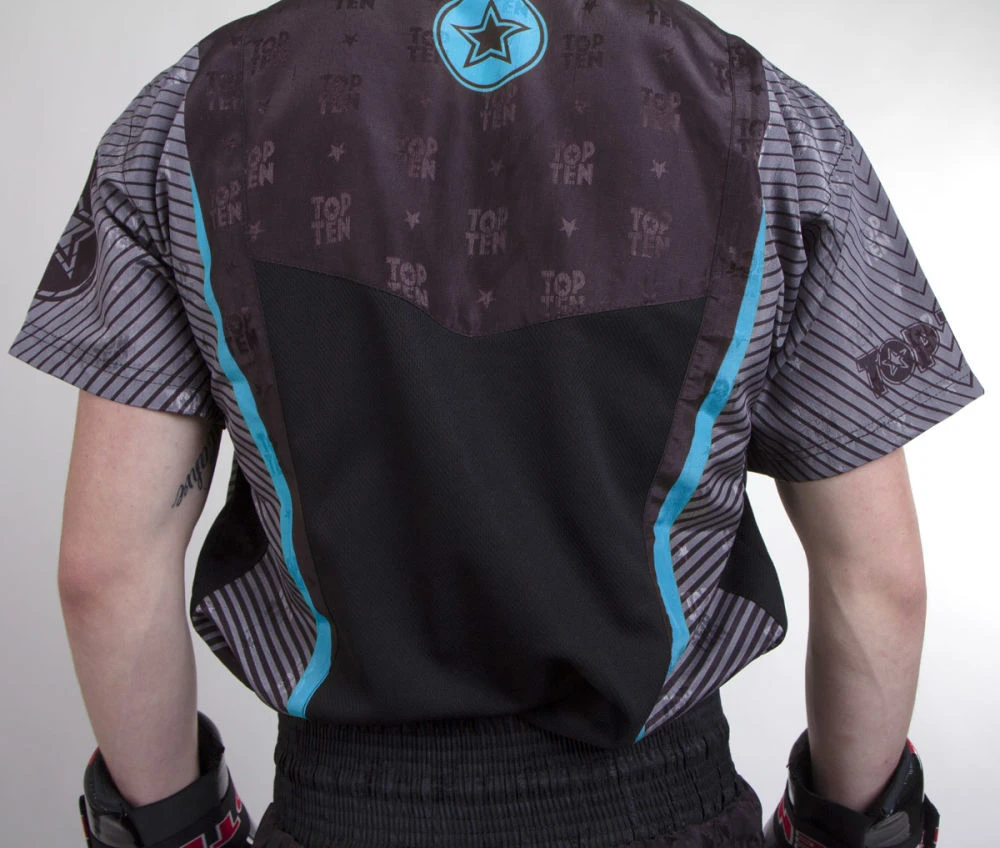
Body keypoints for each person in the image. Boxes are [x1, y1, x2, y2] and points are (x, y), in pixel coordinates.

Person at [7, 0, 984, 846]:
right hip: (664, 800)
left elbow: (105, 572)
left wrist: (177, 828)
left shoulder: (189, 117)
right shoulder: (768, 120)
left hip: (344, 806)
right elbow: (879, 579)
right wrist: (845, 828)